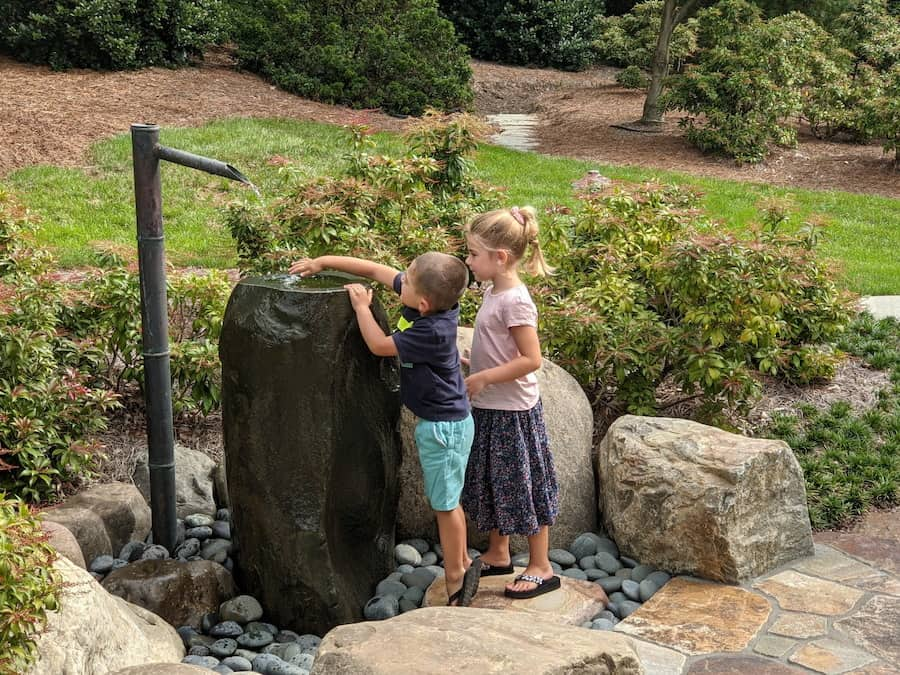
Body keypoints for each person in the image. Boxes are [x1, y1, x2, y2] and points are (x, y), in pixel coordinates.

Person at [288, 252, 483, 606]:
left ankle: (457, 573)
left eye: (405, 281)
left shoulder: (430, 330)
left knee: (445, 504)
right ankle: (461, 563)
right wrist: (321, 262)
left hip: (444, 430)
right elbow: (376, 270)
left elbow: (379, 346)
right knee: (446, 499)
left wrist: (362, 307)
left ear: (422, 304)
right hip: (442, 423)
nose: (399, 282)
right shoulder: (430, 303)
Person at [460, 205, 561, 599]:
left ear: (499, 257)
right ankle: (499, 553)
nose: (468, 261)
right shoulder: (493, 290)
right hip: (491, 405)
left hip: (513, 412)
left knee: (524, 485)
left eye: (472, 254)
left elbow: (530, 359)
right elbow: (501, 350)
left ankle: (541, 566)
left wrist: (483, 376)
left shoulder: (516, 301)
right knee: (493, 481)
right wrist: (476, 363)